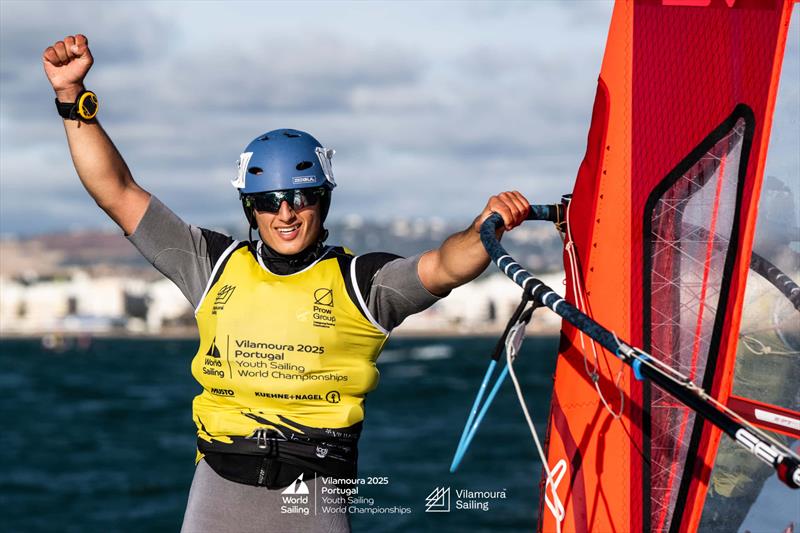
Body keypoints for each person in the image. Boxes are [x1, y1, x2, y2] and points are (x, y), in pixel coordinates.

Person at [43, 34, 531, 533]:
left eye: (303, 197)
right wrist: (71, 97)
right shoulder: (212, 264)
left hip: (315, 492)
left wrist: (482, 228)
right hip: (219, 487)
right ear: (250, 209)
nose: (286, 213)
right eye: (269, 200)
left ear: (324, 201)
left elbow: (445, 266)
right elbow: (116, 192)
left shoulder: (365, 284)